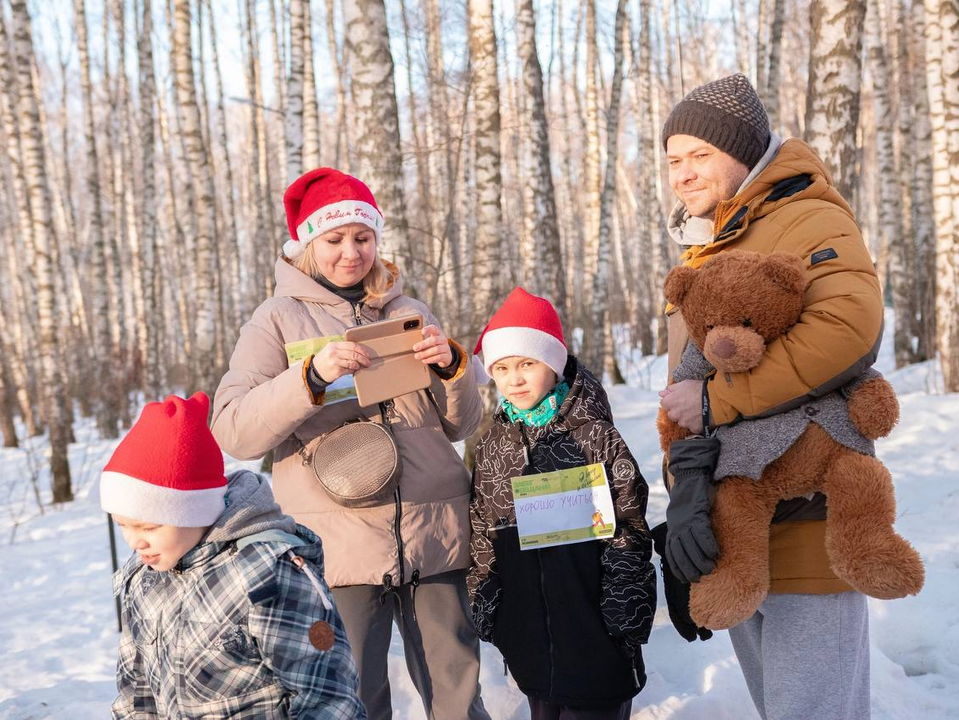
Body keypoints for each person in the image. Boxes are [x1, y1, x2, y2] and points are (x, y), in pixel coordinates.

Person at [211, 167, 489, 719]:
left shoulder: (408, 311)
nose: (351, 253)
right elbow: (234, 429)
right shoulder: (276, 320)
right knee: (352, 692)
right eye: (334, 240)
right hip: (337, 544)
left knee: (457, 687)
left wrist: (456, 370)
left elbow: (459, 427)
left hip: (433, 529)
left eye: (363, 238)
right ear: (307, 245)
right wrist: (308, 378)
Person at [657, 73, 882, 719]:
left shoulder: (805, 217)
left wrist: (721, 404)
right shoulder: (716, 241)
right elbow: (688, 385)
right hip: (737, 523)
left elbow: (849, 328)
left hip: (810, 514)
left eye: (701, 154)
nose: (683, 174)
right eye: (674, 160)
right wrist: (687, 504)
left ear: (747, 150)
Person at [101, 392, 364, 719]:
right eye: (123, 525)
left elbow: (327, 695)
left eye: (149, 526)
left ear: (194, 510)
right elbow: (136, 694)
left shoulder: (267, 572)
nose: (134, 542)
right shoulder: (145, 580)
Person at [467, 287, 656, 720]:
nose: (514, 379)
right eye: (502, 368)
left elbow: (628, 526)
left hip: (596, 634)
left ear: (552, 363)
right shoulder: (495, 446)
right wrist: (490, 610)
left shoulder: (594, 437)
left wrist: (624, 613)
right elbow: (482, 533)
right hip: (530, 641)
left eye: (527, 364)